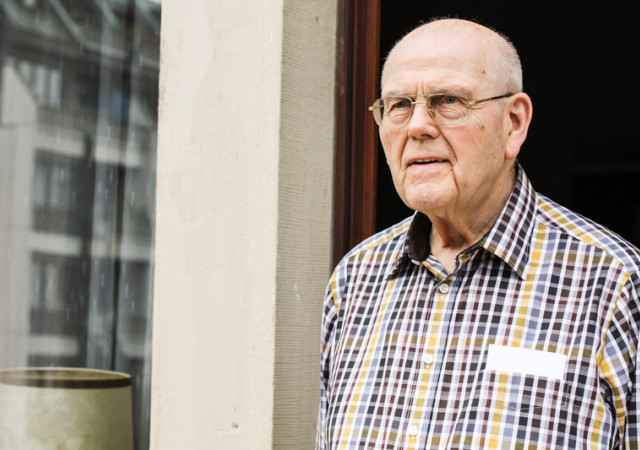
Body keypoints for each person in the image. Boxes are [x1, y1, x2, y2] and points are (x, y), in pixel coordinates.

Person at [317, 18, 640, 449]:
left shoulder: (614, 283)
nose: (417, 127)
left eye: (448, 100)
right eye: (398, 105)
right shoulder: (355, 280)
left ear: (514, 123)